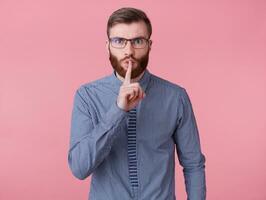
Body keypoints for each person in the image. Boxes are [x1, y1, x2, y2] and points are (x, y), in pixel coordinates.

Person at [68, 7, 206, 200]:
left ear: (150, 45)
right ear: (107, 45)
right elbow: (79, 168)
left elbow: (193, 164)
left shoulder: (176, 97)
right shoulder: (87, 96)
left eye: (138, 41)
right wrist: (118, 110)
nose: (129, 51)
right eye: (119, 41)